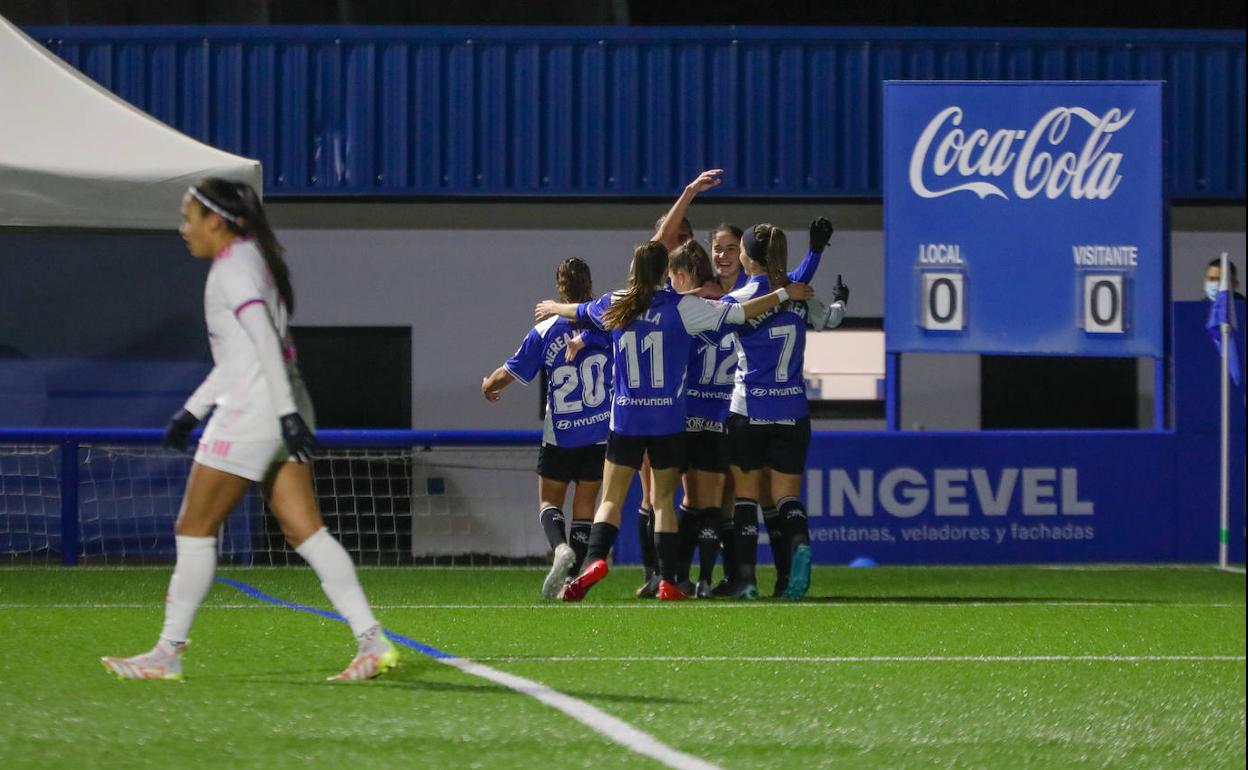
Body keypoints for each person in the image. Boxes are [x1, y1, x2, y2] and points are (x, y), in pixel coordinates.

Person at [101, 179, 397, 681]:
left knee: (193, 528)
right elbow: (244, 354)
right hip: (282, 401)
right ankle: (372, 641)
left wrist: (279, 413)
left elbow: (260, 340)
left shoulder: (231, 269)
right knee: (306, 531)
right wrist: (193, 412)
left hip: (256, 410)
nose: (183, 228)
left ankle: (167, 653)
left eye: (188, 217)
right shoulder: (253, 259)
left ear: (215, 220)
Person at [536, 241, 812, 602]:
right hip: (668, 421)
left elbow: (580, 310)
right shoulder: (685, 308)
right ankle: (668, 579)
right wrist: (782, 294)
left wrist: (553, 306)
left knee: (612, 500)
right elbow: (742, 314)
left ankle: (595, 561)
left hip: (626, 421)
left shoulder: (616, 302)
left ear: (634, 270)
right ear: (666, 271)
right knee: (665, 500)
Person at [724, 222, 847, 601]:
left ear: (746, 257)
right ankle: (799, 546)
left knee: (744, 498)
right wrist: (839, 296)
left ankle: (745, 583)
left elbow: (717, 321)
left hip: (749, 409)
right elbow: (830, 318)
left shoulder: (739, 299)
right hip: (792, 410)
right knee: (786, 497)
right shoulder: (798, 292)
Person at [481, 258, 611, 599]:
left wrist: (488, 386)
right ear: (589, 284)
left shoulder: (545, 330)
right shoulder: (606, 324)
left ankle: (559, 549)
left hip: (561, 433)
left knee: (548, 502)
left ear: (560, 287)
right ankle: (571, 583)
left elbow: (508, 372)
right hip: (599, 432)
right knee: (585, 507)